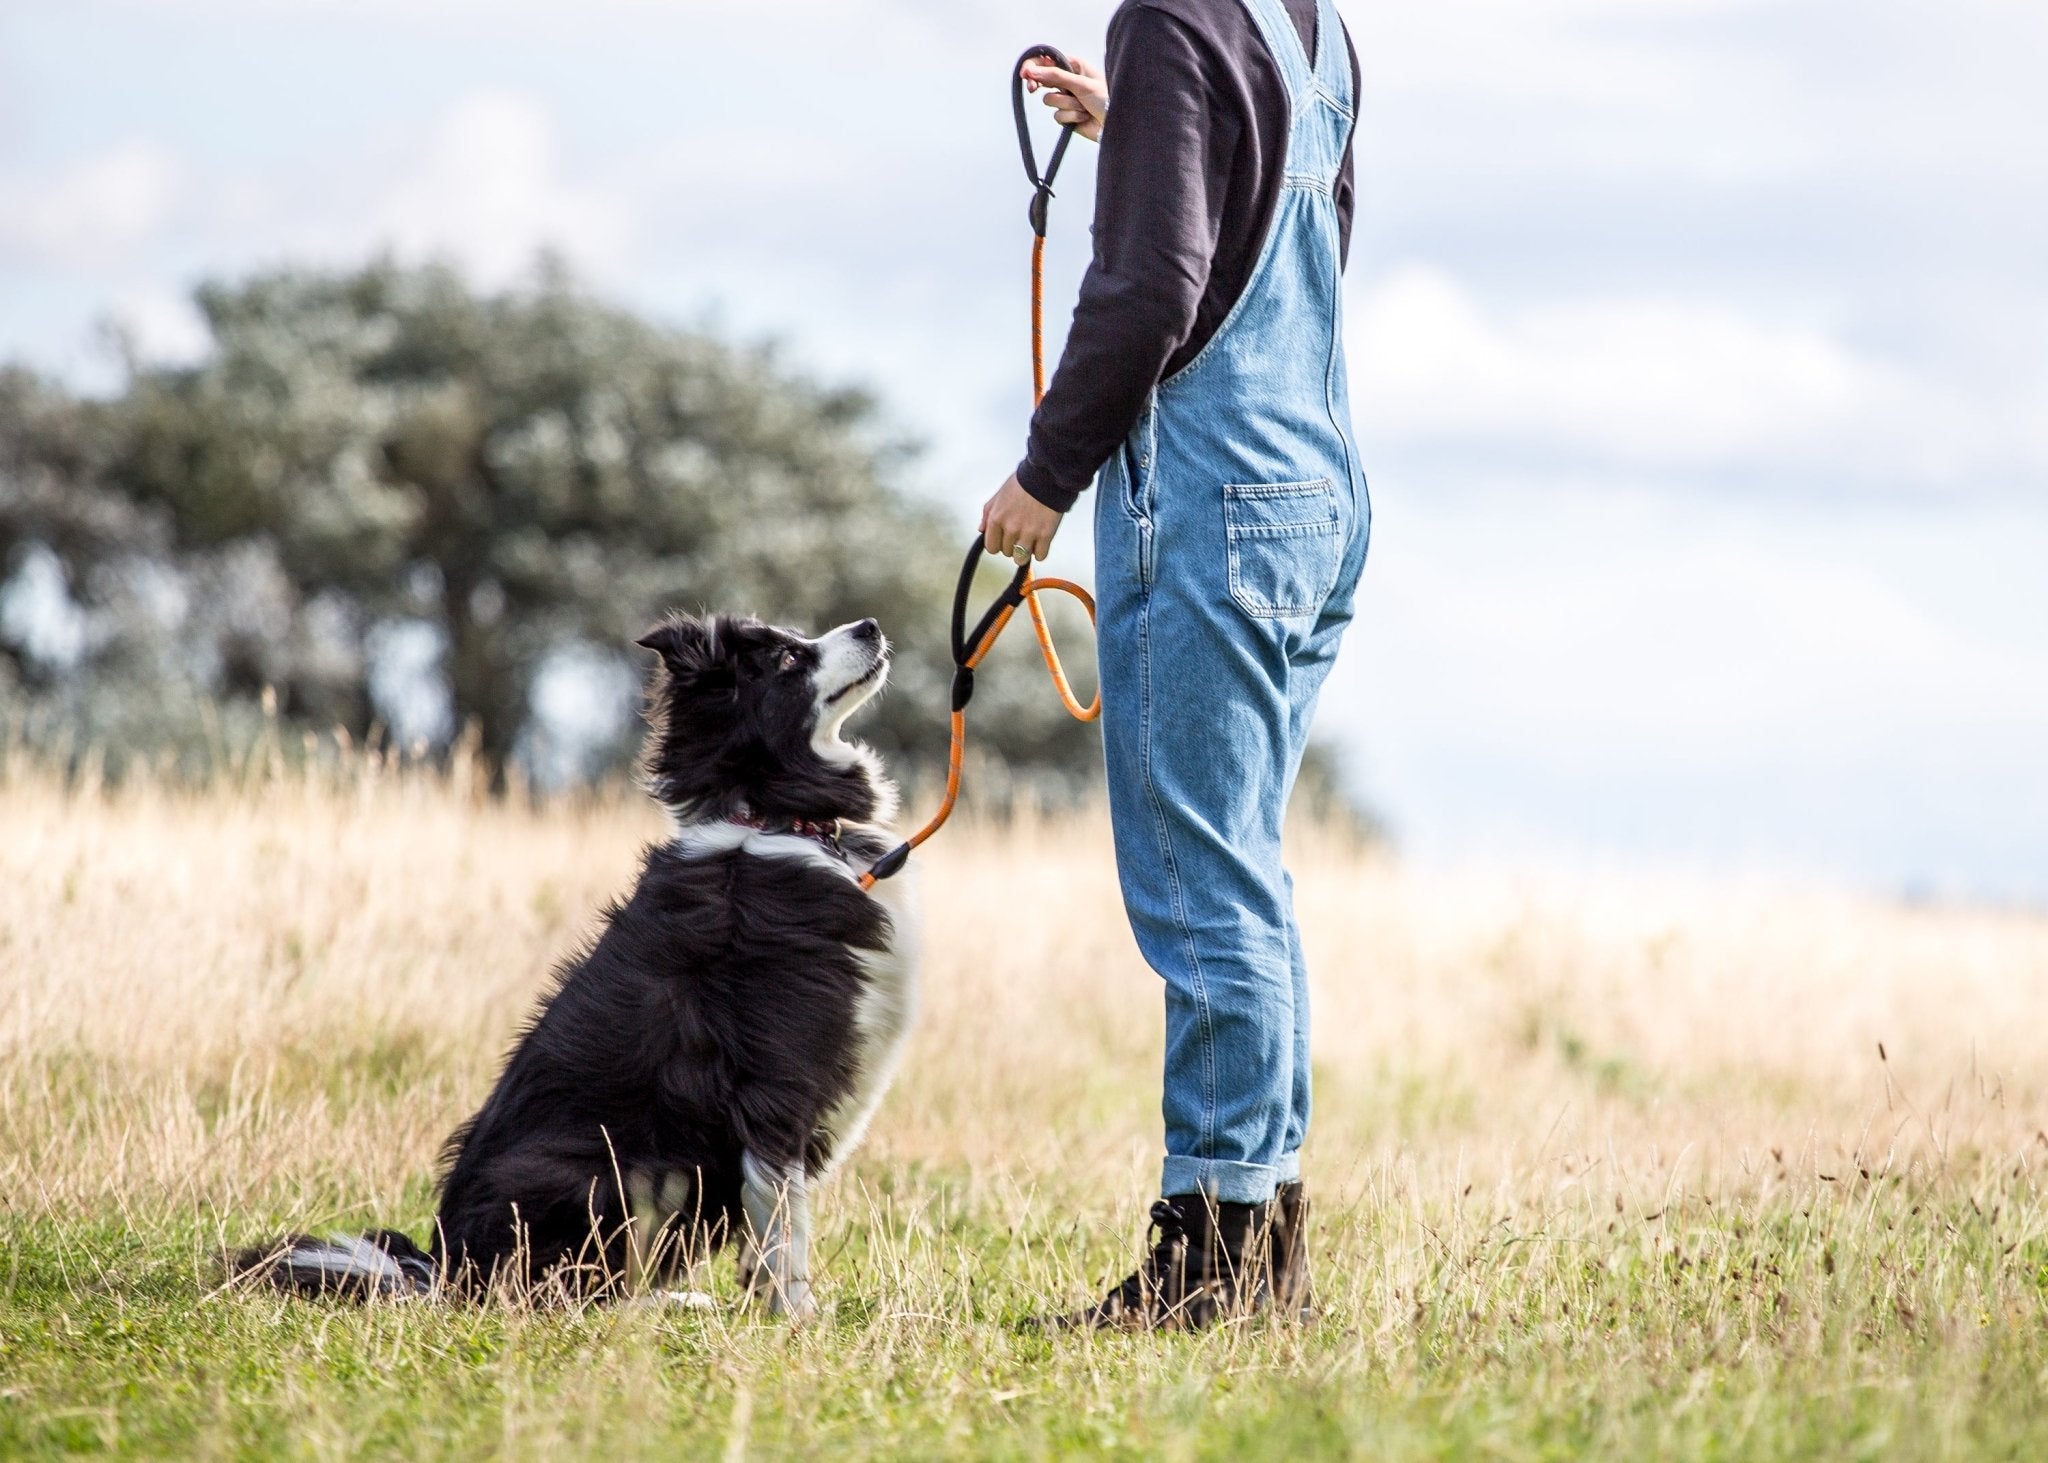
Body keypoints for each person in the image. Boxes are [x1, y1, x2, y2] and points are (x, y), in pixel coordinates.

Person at [980, 0, 1369, 1329]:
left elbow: (1155, 285)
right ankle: (1265, 1258)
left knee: (1208, 893)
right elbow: (1265, 227)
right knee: (1244, 880)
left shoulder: (1163, 14)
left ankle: (1210, 1264)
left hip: (1210, 498)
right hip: (1319, 490)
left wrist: (1046, 472)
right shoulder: (1312, 26)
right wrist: (1133, 131)